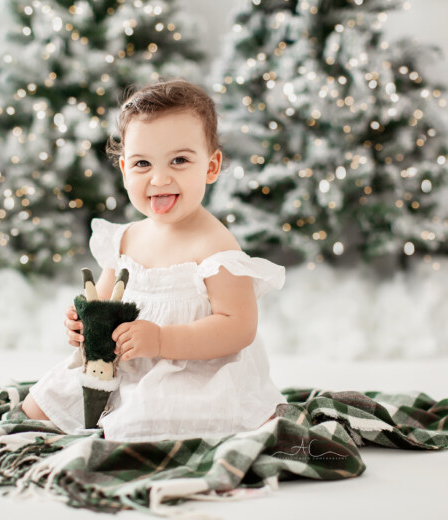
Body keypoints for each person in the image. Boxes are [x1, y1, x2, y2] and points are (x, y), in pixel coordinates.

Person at [22, 78, 287, 442]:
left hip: (190, 370)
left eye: (179, 160)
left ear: (211, 167)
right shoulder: (126, 238)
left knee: (147, 422)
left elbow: (238, 328)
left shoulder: (215, 248)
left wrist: (161, 340)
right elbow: (103, 303)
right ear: (124, 170)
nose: (160, 178)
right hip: (119, 366)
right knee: (37, 409)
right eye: (142, 163)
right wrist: (83, 323)